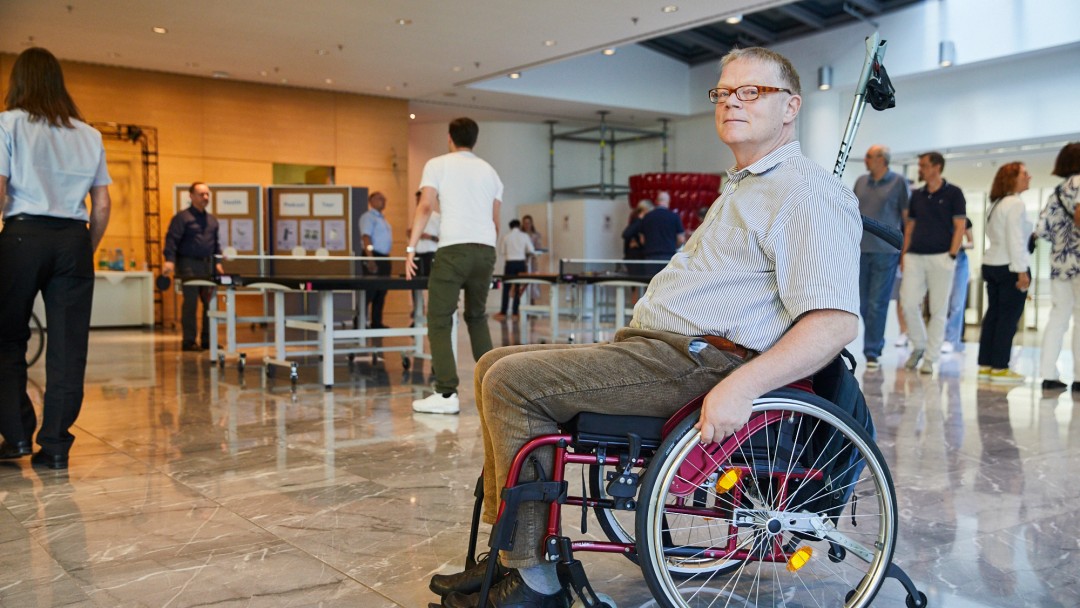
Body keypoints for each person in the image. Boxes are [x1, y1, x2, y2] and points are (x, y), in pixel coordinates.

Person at [429, 47, 861, 608]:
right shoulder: (746, 186)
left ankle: (532, 580)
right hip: (668, 352)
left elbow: (833, 322)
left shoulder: (805, 192)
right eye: (723, 93)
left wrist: (744, 385)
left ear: (790, 107)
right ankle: (508, 548)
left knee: (512, 382)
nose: (731, 102)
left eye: (750, 92)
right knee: (491, 364)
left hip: (704, 363)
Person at [0, 47, 112, 470]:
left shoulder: (7, 123)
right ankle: (56, 446)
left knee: (6, 338)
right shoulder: (89, 134)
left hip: (22, 237)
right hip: (73, 239)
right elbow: (101, 205)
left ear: (19, 82)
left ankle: (15, 435)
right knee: (69, 346)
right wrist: (86, 248)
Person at [406, 117, 503, 415]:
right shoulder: (491, 172)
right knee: (476, 316)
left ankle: (446, 393)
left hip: (453, 249)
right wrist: (487, 251)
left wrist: (410, 247)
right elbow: (495, 219)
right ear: (474, 140)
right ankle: (497, 389)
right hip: (485, 249)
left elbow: (425, 205)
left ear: (449, 138)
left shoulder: (437, 164)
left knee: (438, 316)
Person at [900, 151, 966, 375]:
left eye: (924, 165)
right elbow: (910, 227)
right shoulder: (917, 195)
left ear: (937, 167)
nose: (921, 169)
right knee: (908, 303)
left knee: (938, 309)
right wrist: (904, 254)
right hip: (915, 256)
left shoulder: (954, 193)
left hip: (941, 258)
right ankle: (919, 345)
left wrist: (952, 255)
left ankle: (930, 357)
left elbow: (960, 226)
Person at [854, 144, 909, 370]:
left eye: (869, 156)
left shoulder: (898, 183)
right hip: (861, 250)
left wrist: (905, 251)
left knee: (878, 303)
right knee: (865, 304)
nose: (865, 160)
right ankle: (872, 346)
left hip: (886, 253)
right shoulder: (860, 182)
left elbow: (907, 220)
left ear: (882, 160)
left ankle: (872, 351)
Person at [977, 162, 1032, 383]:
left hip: (991, 264)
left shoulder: (996, 204)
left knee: (994, 316)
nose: (1029, 177)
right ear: (1013, 179)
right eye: (1025, 174)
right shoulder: (1016, 203)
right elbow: (1015, 239)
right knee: (1007, 319)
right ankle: (1000, 366)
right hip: (1009, 266)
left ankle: (986, 364)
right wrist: (1022, 271)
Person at [1035, 142, 1080, 390]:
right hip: (1079, 260)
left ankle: (1048, 374)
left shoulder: (1057, 191)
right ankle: (1079, 377)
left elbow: (1042, 229)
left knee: (1058, 316)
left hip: (1059, 262)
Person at [164, 182, 224, 350]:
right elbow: (172, 240)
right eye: (201, 194)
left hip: (207, 266)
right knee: (190, 303)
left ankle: (208, 340)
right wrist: (169, 260)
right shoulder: (182, 218)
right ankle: (189, 340)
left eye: (207, 194)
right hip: (188, 264)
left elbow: (216, 244)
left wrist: (218, 263)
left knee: (209, 303)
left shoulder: (212, 220)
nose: (205, 197)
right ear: (191, 196)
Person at [358, 190, 393, 329]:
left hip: (384, 257)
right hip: (373, 255)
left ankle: (376, 322)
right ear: (371, 201)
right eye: (379, 198)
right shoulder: (368, 217)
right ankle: (359, 322)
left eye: (384, 198)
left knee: (381, 291)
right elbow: (366, 237)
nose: (383, 201)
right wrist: (370, 258)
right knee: (370, 291)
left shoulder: (383, 219)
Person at [630, 190, 685, 274]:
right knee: (667, 284)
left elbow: (642, 240)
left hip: (650, 258)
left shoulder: (647, 217)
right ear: (668, 201)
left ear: (657, 201)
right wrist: (675, 245)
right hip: (668, 257)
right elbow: (681, 239)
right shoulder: (674, 217)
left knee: (651, 284)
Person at [942, 219, 974, 353]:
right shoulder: (940, 219)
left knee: (957, 303)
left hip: (959, 260)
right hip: (942, 259)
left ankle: (951, 339)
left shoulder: (965, 221)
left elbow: (972, 243)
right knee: (942, 302)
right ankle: (941, 337)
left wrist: (960, 245)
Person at [494, 219, 535, 321]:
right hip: (521, 264)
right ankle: (515, 312)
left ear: (510, 227)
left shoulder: (506, 237)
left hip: (510, 264)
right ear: (519, 225)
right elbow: (531, 250)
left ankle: (503, 311)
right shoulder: (524, 236)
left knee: (506, 287)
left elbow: (502, 251)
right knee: (518, 288)